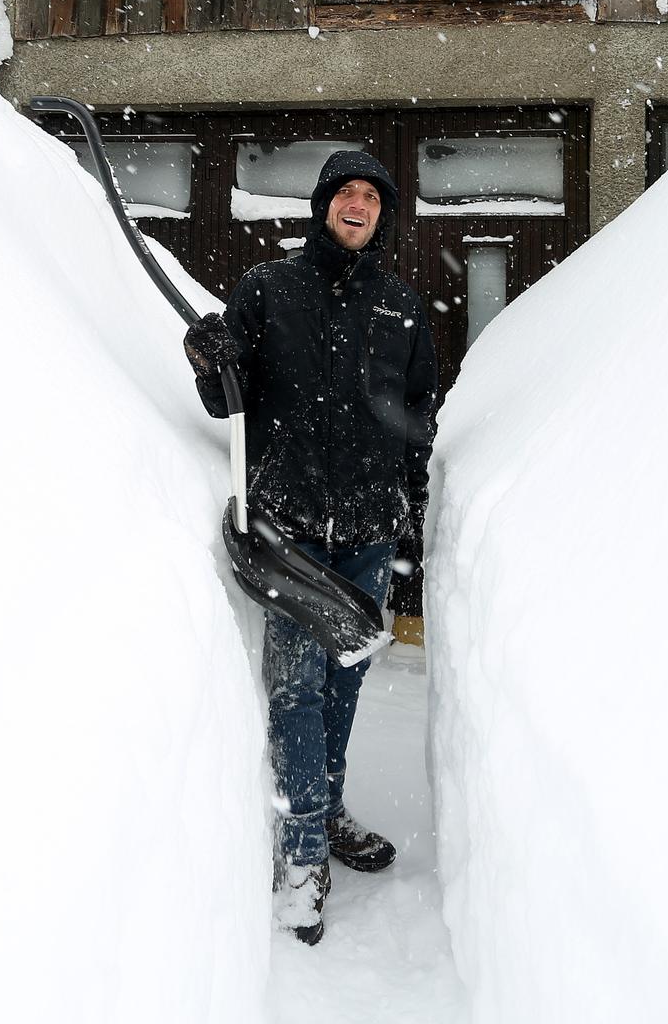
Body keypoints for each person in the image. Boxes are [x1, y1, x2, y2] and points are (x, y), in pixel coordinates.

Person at [182, 150, 437, 945]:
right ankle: (301, 855)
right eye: (345, 194)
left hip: (367, 529)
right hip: (288, 531)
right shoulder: (270, 288)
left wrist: (410, 510)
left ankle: (324, 814)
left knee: (343, 687)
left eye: (371, 197)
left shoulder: (401, 306)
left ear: (381, 216)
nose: (357, 206)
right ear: (322, 206)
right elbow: (231, 398)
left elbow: (416, 415)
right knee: (296, 691)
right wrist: (211, 358)